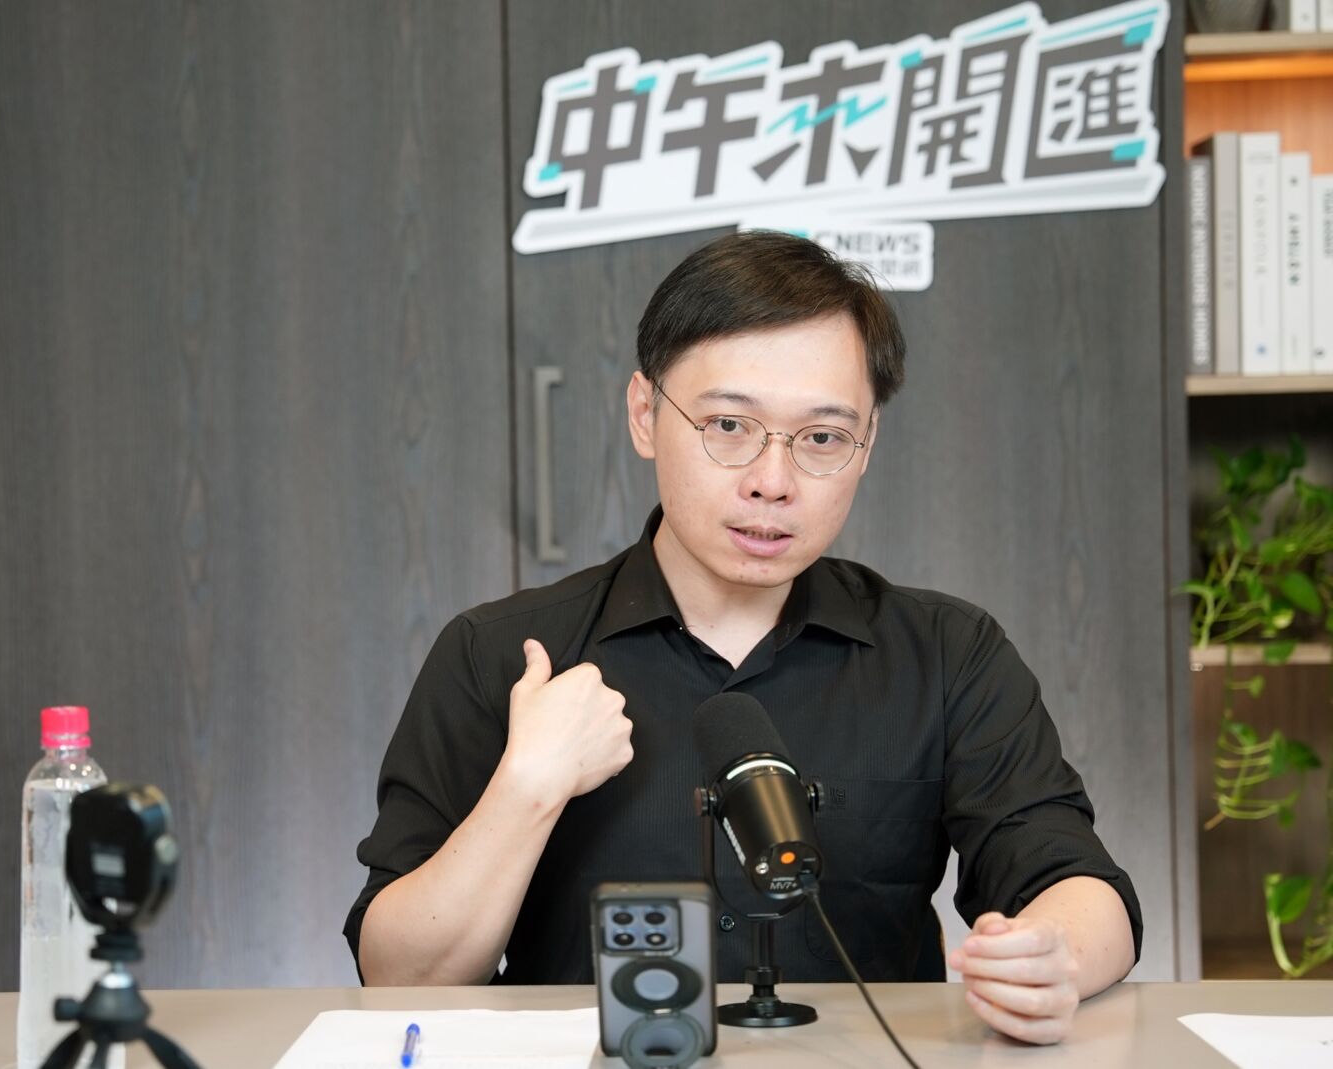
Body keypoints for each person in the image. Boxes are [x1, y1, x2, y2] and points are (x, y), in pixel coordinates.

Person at [344, 231, 1140, 1045]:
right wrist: (528, 787)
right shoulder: (501, 655)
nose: (772, 481)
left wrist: (1056, 958)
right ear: (646, 414)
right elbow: (399, 975)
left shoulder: (946, 653)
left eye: (822, 438)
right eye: (728, 424)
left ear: (867, 444)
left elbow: (1082, 884)